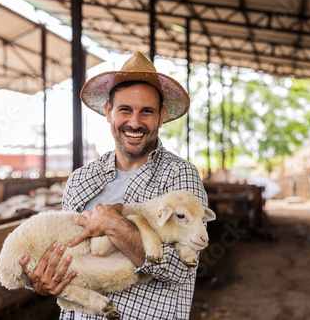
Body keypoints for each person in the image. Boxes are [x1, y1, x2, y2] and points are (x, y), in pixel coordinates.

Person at [20, 51, 209, 320]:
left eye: (147, 112)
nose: (134, 122)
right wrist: (42, 282)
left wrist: (115, 224)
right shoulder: (81, 179)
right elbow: (64, 260)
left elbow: (181, 268)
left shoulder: (180, 176)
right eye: (125, 110)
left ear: (161, 116)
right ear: (108, 112)